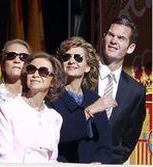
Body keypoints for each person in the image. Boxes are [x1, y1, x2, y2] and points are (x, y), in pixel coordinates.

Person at [0, 52, 64, 163]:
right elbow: (5, 157)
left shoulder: (55, 118)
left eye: (43, 71)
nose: (36, 74)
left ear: (54, 81)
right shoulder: (7, 109)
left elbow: (52, 160)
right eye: (31, 69)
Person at [51, 36, 113, 163]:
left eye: (78, 58)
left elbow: (105, 145)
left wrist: (99, 162)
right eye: (66, 57)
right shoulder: (52, 97)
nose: (71, 61)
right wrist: (89, 111)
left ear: (88, 67)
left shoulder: (95, 99)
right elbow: (58, 135)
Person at [98, 15, 146, 164]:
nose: (113, 41)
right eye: (111, 35)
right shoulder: (82, 76)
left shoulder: (136, 91)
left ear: (131, 47)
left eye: (121, 38)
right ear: (104, 38)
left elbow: (128, 141)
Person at [0, 39, 31, 103]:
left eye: (23, 57)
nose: (17, 61)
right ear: (3, 65)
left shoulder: (37, 97)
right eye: (11, 55)